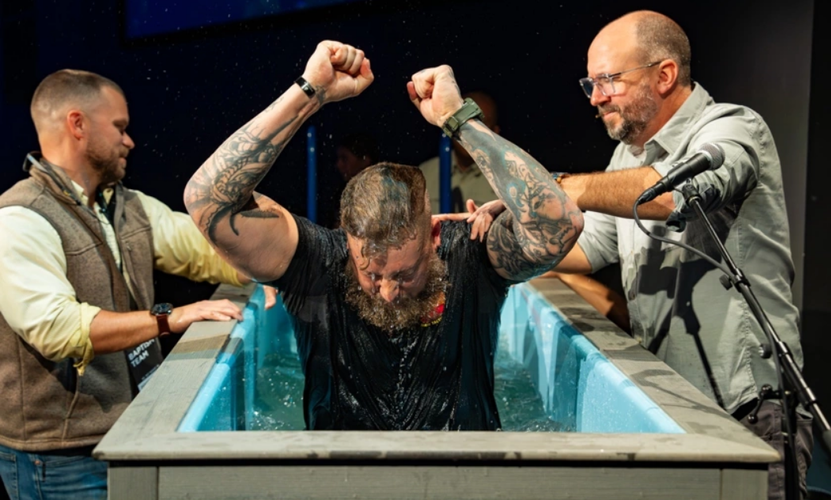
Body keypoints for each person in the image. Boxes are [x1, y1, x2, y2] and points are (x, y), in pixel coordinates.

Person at [184, 41, 583, 431]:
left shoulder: (471, 256)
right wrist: (309, 92)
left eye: (405, 274)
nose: (388, 293)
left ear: (434, 235)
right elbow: (205, 199)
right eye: (372, 275)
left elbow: (561, 225)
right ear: (347, 240)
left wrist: (459, 119)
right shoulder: (315, 265)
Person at [543, 10, 811, 499]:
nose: (596, 98)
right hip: (673, 406)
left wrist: (569, 188)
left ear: (664, 75)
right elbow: (586, 246)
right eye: (590, 84)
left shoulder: (733, 128)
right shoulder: (627, 158)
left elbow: (675, 194)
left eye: (608, 80)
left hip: (749, 409)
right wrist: (502, 235)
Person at [0, 69, 271, 500]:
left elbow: (201, 249)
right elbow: (57, 329)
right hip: (61, 457)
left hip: (128, 432)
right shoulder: (19, 218)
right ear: (77, 124)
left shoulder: (128, 204)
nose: (130, 141)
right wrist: (169, 318)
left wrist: (264, 266)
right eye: (120, 127)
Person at [419, 90, 500, 213]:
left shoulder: (506, 181)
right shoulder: (425, 174)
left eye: (479, 126)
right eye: (461, 124)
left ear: (495, 132)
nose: (469, 134)